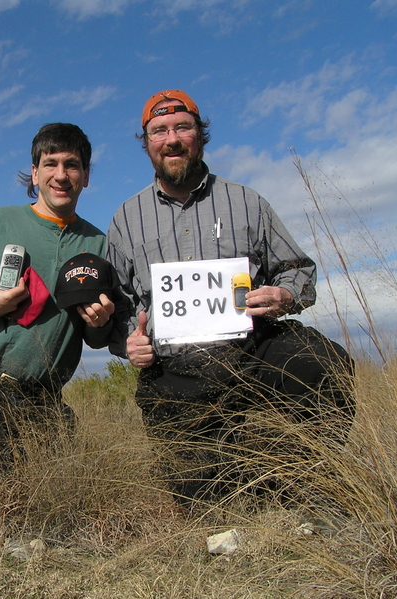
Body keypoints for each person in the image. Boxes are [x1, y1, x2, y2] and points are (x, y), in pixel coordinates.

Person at [107, 90, 355, 504]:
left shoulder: (246, 201)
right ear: (147, 143)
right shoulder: (125, 219)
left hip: (253, 350)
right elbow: (117, 307)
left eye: (182, 127)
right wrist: (128, 341)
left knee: (323, 364)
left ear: (200, 136)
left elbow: (300, 270)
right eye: (159, 131)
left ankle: (301, 484)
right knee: (204, 502)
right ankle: (225, 474)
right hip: (174, 368)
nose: (172, 139)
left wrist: (284, 295)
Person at [0, 122, 115, 479]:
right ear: (34, 172)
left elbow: (96, 338)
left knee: (61, 486)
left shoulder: (100, 245)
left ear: (86, 176)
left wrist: (100, 324)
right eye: (51, 163)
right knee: (7, 488)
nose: (61, 175)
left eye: (72, 165)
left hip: (43, 398)